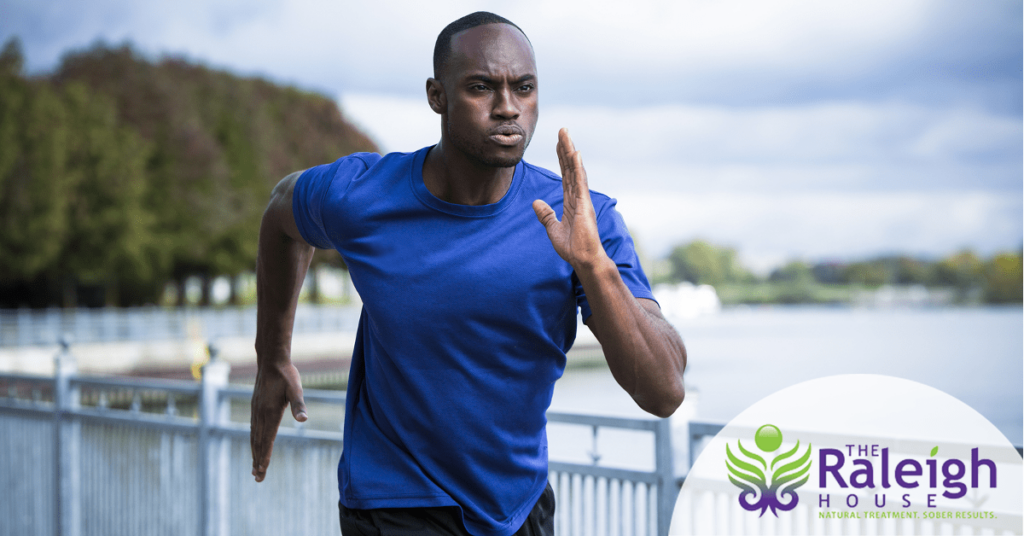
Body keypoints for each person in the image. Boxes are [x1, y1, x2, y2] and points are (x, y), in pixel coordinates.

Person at [250, 11, 686, 536]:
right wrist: (272, 357)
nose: (508, 108)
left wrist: (594, 266)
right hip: (396, 501)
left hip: (517, 506)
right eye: (482, 87)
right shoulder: (362, 194)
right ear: (438, 96)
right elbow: (281, 214)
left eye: (523, 88)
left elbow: (664, 393)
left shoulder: (580, 219)